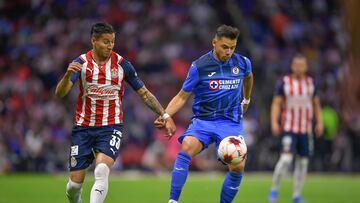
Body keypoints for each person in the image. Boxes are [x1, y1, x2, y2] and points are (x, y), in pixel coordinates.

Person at [55, 22, 176, 203]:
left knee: (102, 170)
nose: (110, 46)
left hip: (111, 127)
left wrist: (165, 114)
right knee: (74, 187)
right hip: (83, 128)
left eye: (112, 41)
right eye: (105, 42)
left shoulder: (122, 65)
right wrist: (66, 76)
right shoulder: (81, 64)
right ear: (93, 41)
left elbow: (144, 93)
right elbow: (60, 93)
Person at [155, 24, 253, 203]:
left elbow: (248, 76)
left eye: (232, 48)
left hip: (230, 122)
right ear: (214, 43)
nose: (228, 52)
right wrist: (166, 115)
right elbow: (182, 96)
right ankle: (173, 201)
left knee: (238, 166)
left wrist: (246, 99)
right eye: (224, 47)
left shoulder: (242, 63)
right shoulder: (199, 66)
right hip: (204, 121)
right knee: (186, 147)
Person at [267, 54, 324, 203]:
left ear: (306, 67)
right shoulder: (284, 83)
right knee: (286, 159)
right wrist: (274, 122)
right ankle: (274, 189)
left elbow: (316, 104)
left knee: (303, 162)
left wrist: (319, 122)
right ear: (292, 66)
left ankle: (296, 195)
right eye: (296, 65)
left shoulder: (311, 83)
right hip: (289, 128)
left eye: (302, 65)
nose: (299, 68)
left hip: (305, 129)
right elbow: (276, 103)